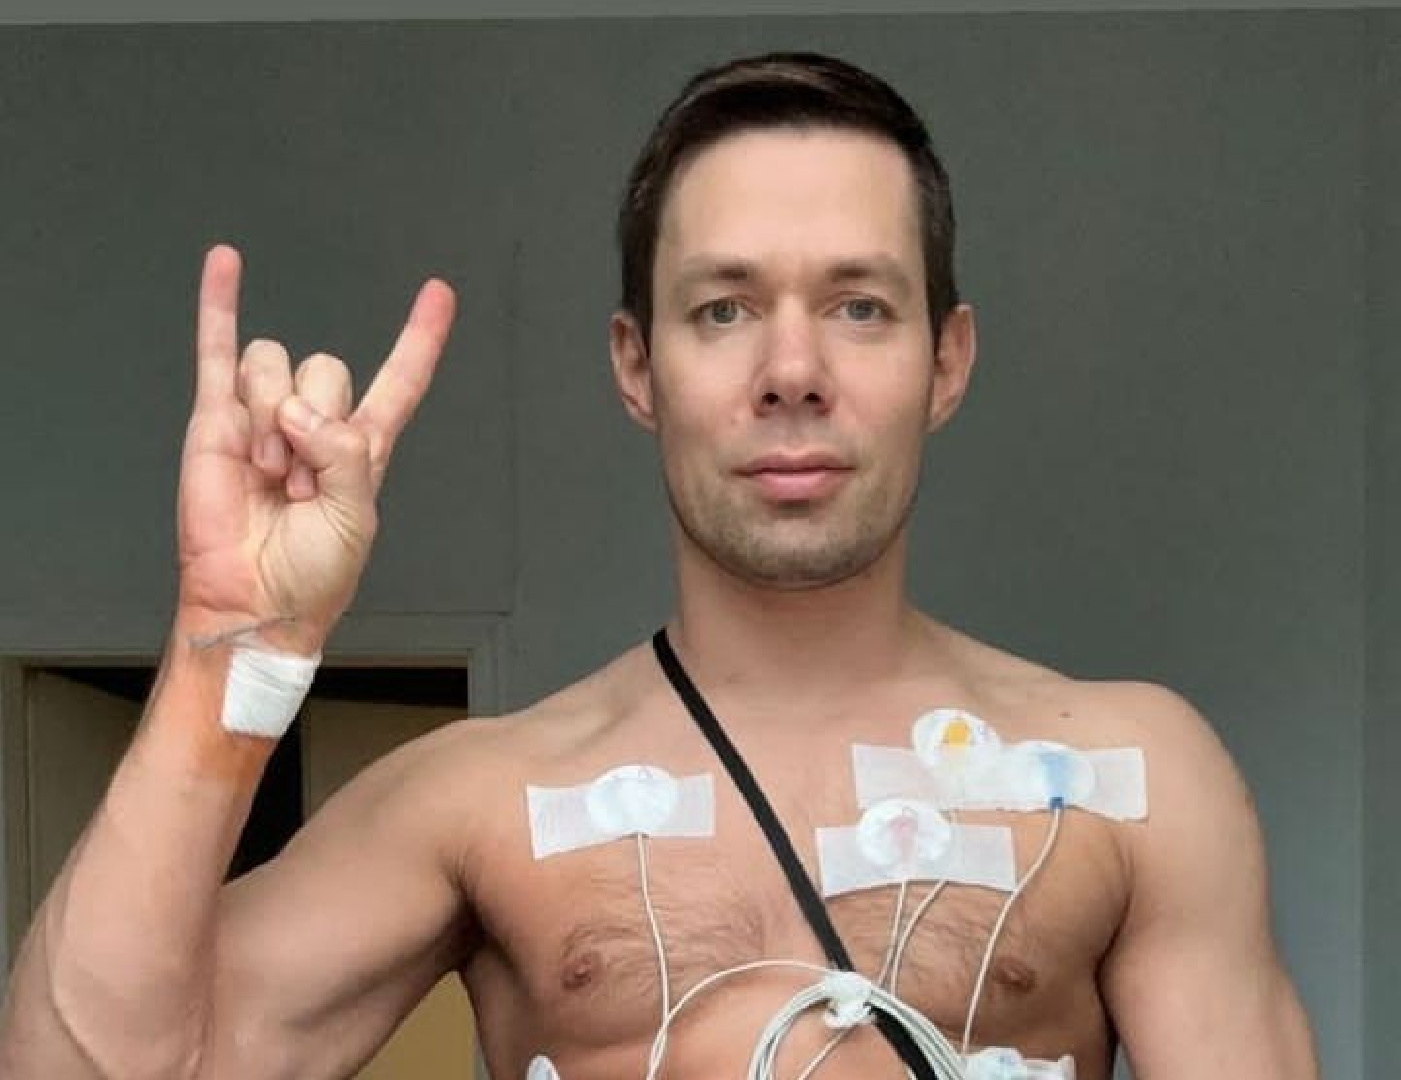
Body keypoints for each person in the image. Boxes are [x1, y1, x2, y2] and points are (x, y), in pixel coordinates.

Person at [0, 51, 1317, 1080]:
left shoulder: (1136, 778)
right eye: (723, 308)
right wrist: (232, 647)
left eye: (859, 306)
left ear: (947, 360)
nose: (791, 372)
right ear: (638, 366)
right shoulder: (483, 798)